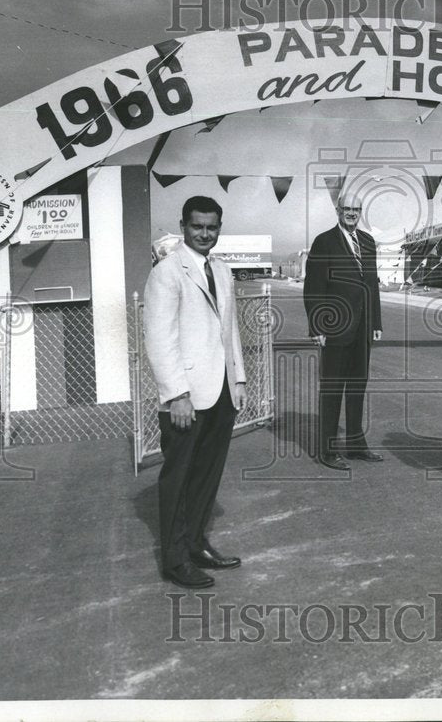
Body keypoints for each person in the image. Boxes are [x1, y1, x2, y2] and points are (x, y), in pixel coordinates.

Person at [143, 195, 248, 588]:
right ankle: (174, 559)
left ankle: (196, 545)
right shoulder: (168, 273)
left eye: (212, 227)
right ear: (183, 225)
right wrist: (176, 395)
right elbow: (159, 338)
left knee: (206, 475)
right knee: (178, 478)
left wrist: (237, 380)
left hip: (219, 391)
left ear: (219, 228)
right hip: (186, 396)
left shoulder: (221, 271)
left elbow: (230, 329)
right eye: (197, 226)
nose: (204, 233)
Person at [304, 189, 383, 470]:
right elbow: (314, 287)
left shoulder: (368, 242)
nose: (352, 214)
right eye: (347, 209)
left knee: (357, 388)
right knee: (332, 389)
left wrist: (376, 323)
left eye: (356, 210)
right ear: (338, 210)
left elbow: (372, 285)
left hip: (362, 331)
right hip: (334, 329)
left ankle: (356, 445)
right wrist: (316, 325)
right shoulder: (324, 242)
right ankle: (327, 451)